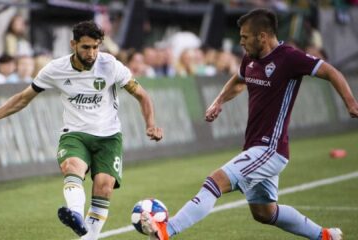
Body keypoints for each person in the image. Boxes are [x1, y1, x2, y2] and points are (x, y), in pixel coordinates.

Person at [140, 8, 358, 240]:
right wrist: (219, 101)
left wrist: (351, 104)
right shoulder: (251, 59)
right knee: (265, 213)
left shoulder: (290, 58)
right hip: (254, 147)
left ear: (262, 36)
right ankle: (325, 236)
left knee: (215, 182)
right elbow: (238, 79)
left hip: (270, 149)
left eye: (244, 37)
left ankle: (166, 230)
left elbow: (330, 71)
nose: (241, 42)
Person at [0, 20, 163, 240]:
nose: (92, 53)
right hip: (75, 134)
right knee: (72, 166)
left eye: (96, 47)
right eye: (86, 47)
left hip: (109, 136)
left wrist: (150, 124)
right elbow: (23, 98)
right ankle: (76, 215)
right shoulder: (55, 69)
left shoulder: (111, 65)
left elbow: (142, 96)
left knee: (104, 187)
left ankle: (87, 236)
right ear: (73, 44)